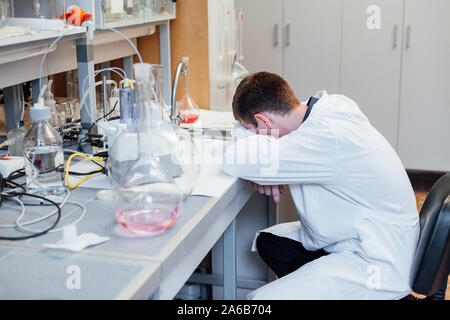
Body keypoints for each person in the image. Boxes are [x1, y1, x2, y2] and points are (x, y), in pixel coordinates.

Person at [222, 72, 420, 299]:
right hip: (363, 233)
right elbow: (250, 155)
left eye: (253, 130)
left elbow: (235, 158)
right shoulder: (325, 109)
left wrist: (261, 168)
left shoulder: (324, 137)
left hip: (376, 260)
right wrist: (263, 171)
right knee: (270, 243)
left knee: (257, 300)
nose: (255, 136)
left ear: (265, 120)